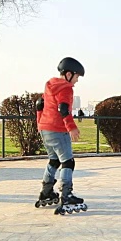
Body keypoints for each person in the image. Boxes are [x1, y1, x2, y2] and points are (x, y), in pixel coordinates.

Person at [35, 57, 88, 215]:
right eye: (77, 77)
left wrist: (40, 124)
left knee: (54, 160)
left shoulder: (49, 85)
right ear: (69, 74)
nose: (77, 81)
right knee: (68, 162)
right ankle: (66, 195)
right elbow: (63, 108)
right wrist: (71, 127)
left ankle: (46, 192)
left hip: (45, 129)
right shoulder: (66, 87)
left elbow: (40, 104)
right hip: (58, 129)